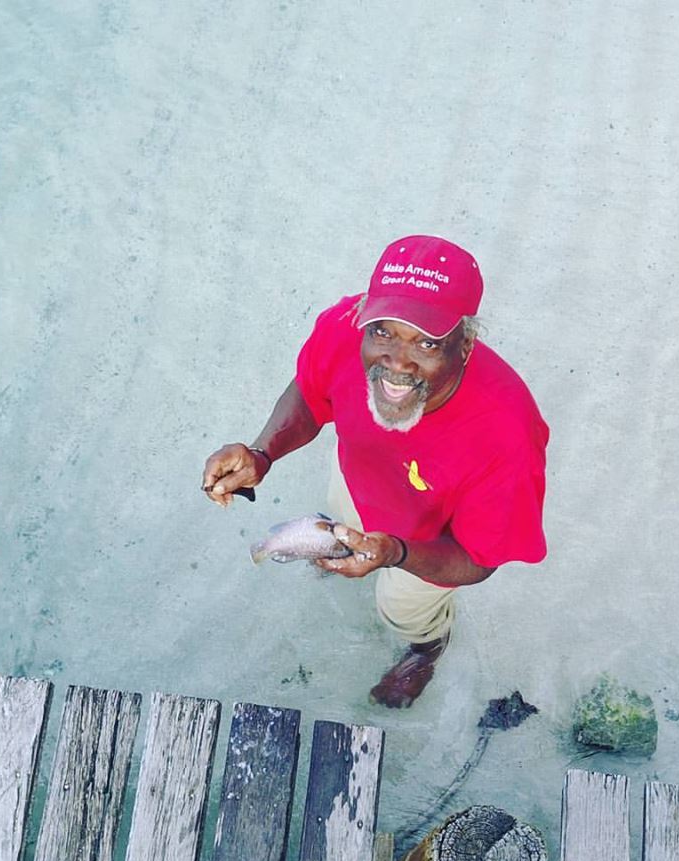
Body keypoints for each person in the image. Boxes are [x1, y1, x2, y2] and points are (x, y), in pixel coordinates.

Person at [202, 235, 549, 708]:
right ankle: (356, 553)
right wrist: (262, 454)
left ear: (466, 345)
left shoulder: (506, 433)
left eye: (427, 342)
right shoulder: (347, 326)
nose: (396, 362)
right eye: (383, 331)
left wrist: (394, 552)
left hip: (426, 544)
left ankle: (427, 649)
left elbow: (479, 557)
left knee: (403, 613)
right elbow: (311, 392)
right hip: (356, 478)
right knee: (338, 524)